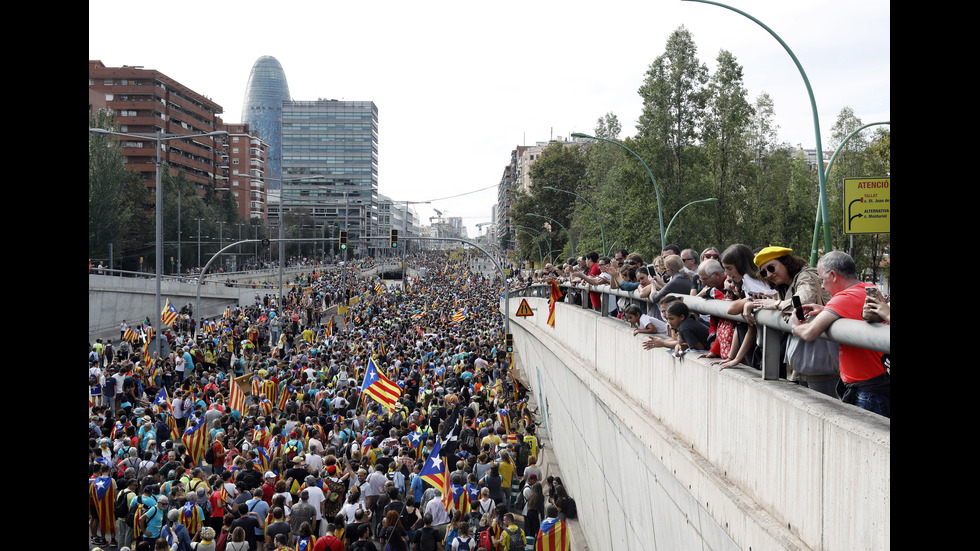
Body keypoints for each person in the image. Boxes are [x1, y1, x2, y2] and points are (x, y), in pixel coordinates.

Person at [790, 251, 890, 417]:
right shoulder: (868, 288)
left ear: (833, 275)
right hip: (877, 383)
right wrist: (826, 310)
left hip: (865, 392)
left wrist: (794, 326)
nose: (822, 286)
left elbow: (809, 333)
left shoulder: (843, 298)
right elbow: (855, 313)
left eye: (822, 279)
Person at [746, 246, 839, 396]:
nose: (769, 274)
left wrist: (776, 304)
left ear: (787, 263)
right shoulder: (787, 285)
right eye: (764, 272)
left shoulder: (806, 276)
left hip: (822, 359)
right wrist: (751, 303)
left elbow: (802, 302)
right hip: (808, 359)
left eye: (771, 267)